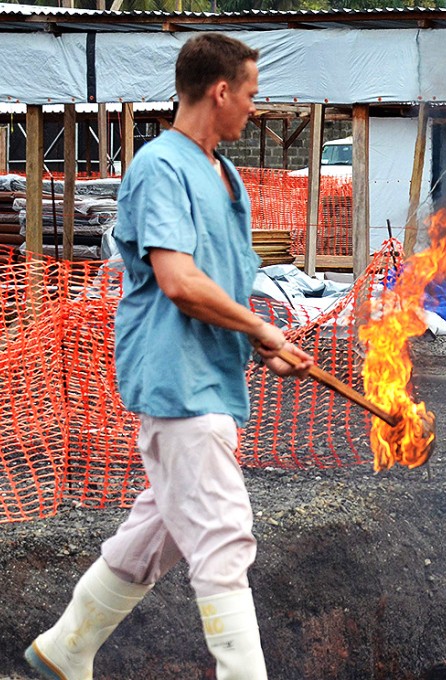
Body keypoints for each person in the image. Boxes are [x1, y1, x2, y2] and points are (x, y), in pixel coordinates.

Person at [24, 33, 313, 680]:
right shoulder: (160, 168)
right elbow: (180, 282)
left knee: (156, 533)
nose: (253, 108)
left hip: (210, 377)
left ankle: (65, 648)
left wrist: (258, 341)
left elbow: (220, 285)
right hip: (178, 382)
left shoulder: (224, 172)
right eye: (251, 94)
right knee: (223, 537)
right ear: (220, 91)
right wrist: (260, 331)